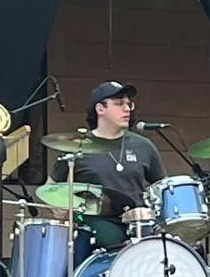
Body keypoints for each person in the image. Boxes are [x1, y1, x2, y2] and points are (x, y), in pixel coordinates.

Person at [49, 81, 166, 249]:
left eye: (128, 104)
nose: (127, 109)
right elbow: (50, 189)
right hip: (95, 224)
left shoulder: (144, 146)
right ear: (100, 109)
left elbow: (161, 189)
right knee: (108, 237)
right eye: (119, 104)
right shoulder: (76, 146)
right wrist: (60, 209)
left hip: (139, 225)